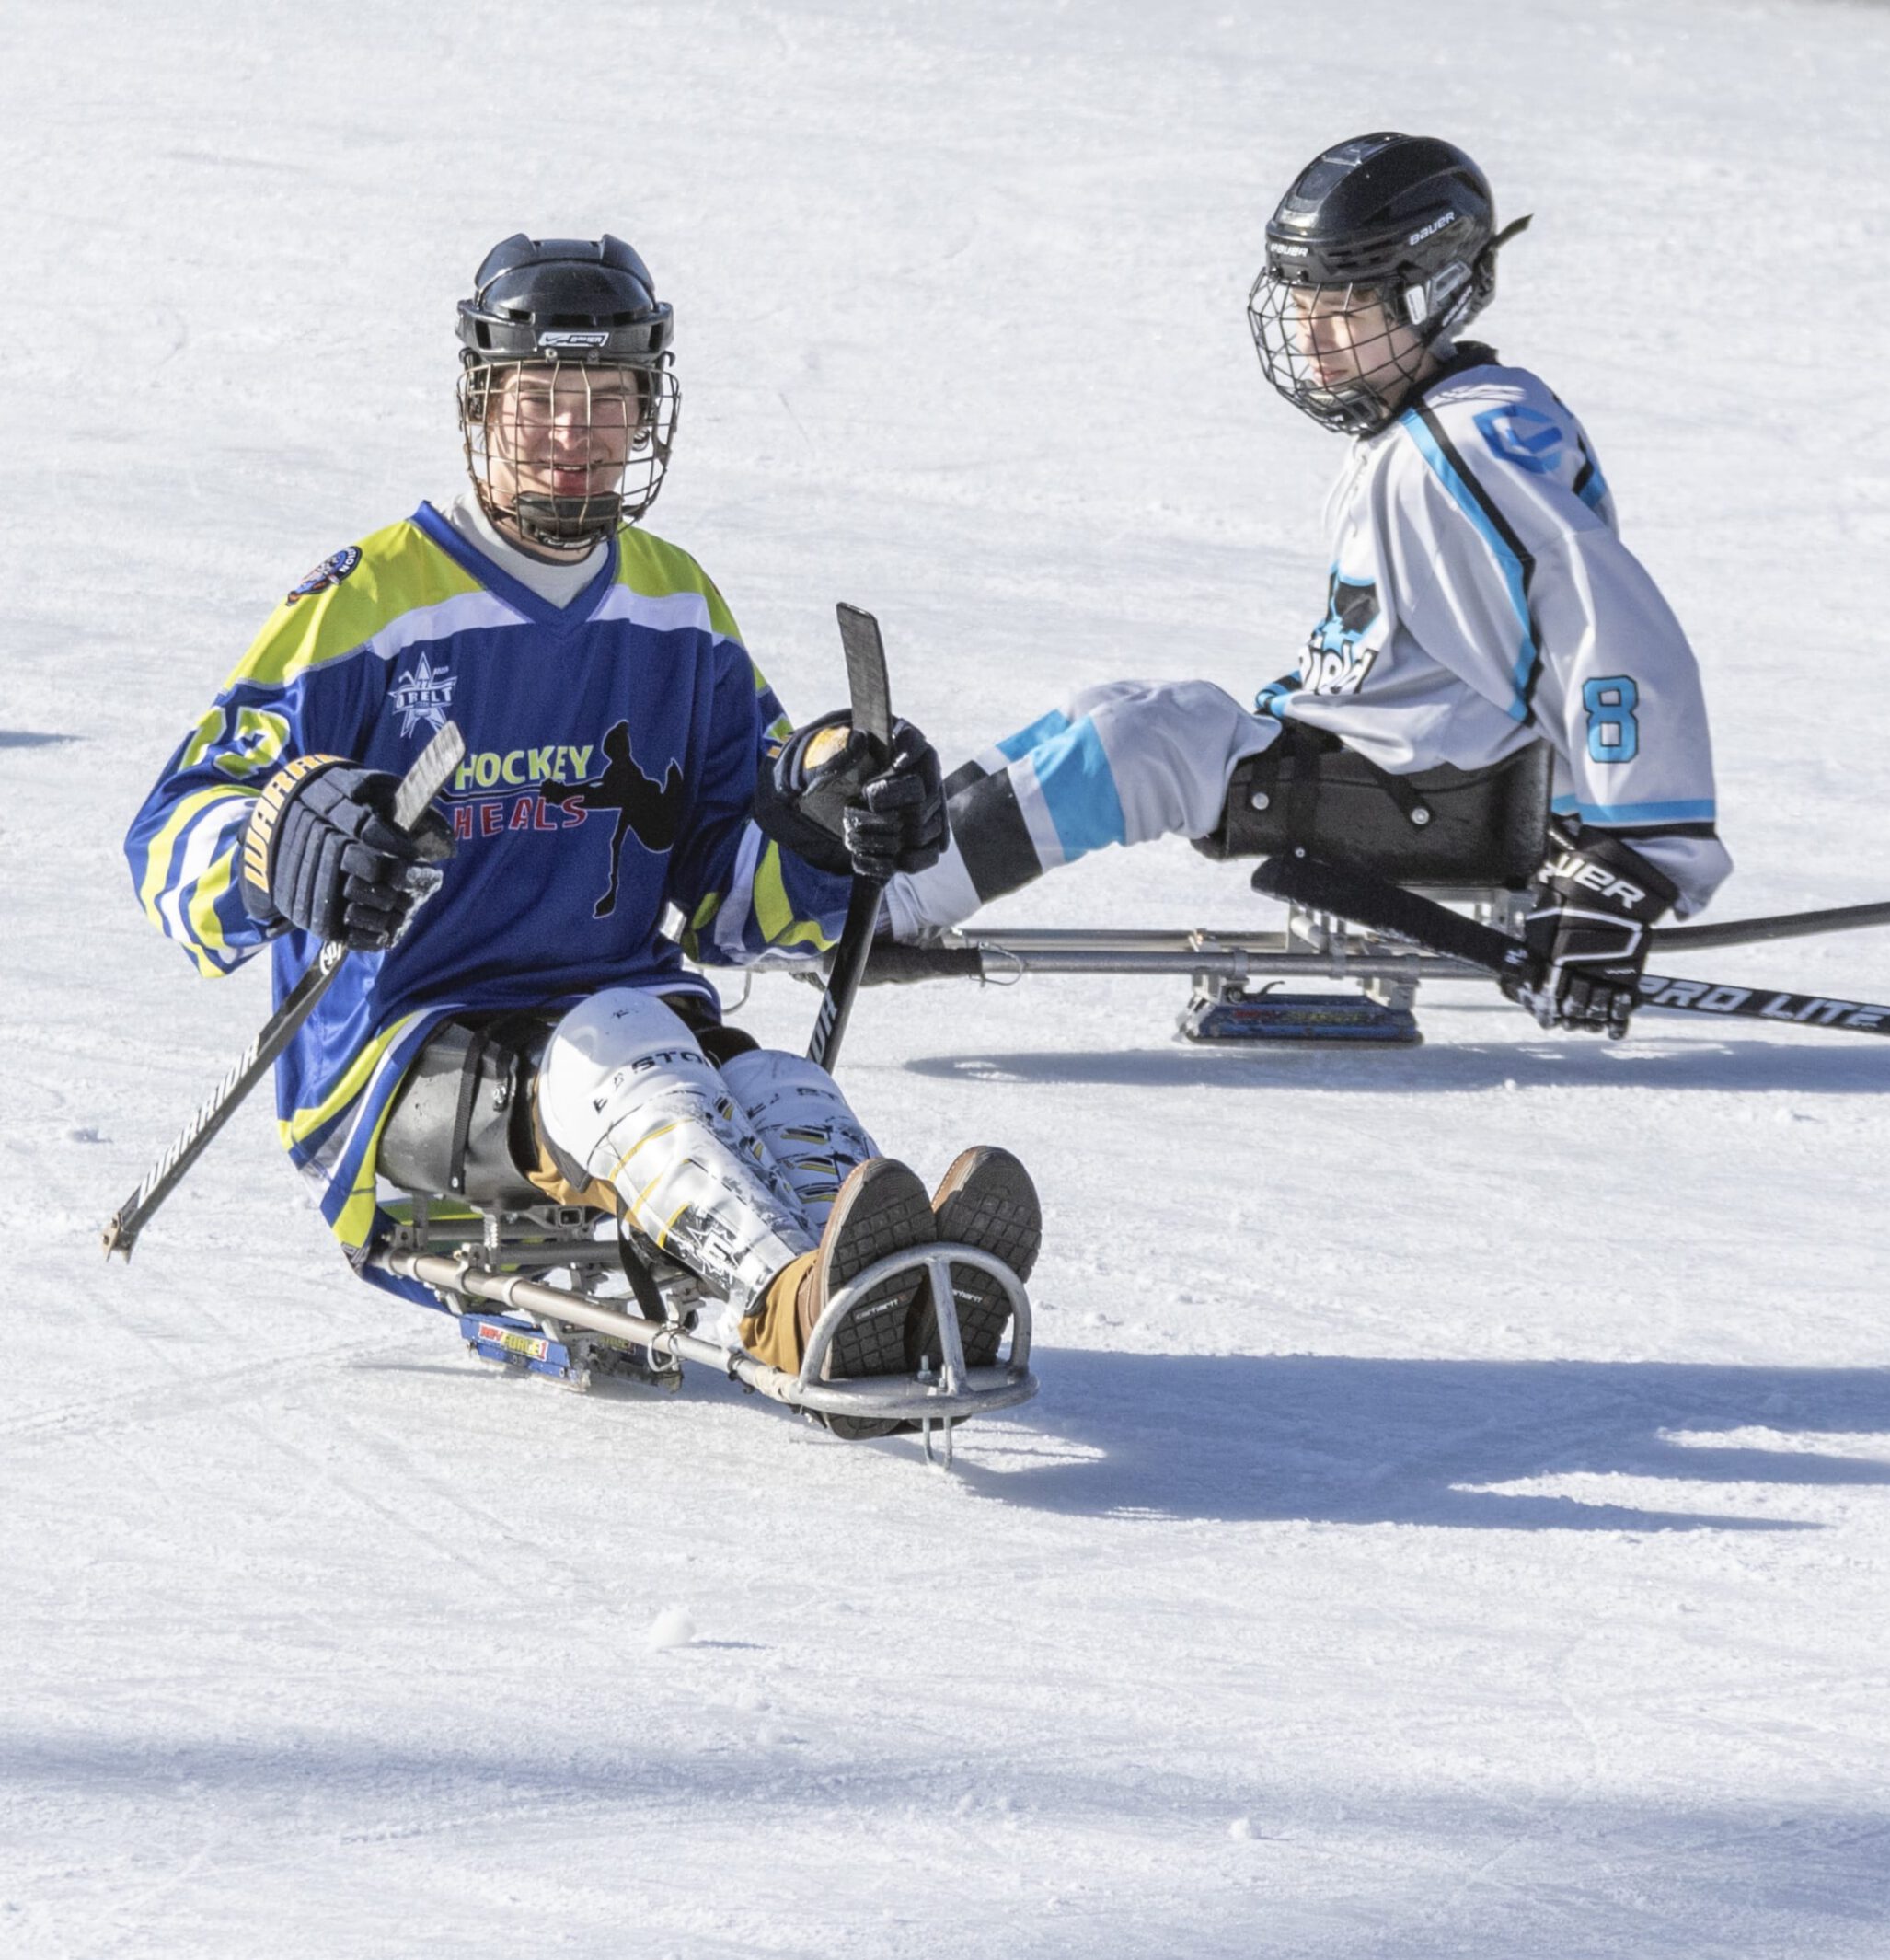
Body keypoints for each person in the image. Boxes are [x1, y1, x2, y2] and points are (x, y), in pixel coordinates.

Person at [124, 233, 1040, 1396]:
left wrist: (824, 819)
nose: (577, 433)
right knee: (630, 1057)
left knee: (777, 1089)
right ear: (480, 404)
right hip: (404, 1057)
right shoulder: (370, 604)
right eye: (543, 398)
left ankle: (896, 1292)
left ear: (651, 409)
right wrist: (286, 838)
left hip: (626, 1021)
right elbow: (170, 830)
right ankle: (789, 1307)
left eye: (610, 398)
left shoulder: (673, 603)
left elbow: (731, 901)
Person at [882, 134, 1733, 1036]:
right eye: (1300, 305)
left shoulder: (1455, 453)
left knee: (1143, 744)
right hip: (1415, 763)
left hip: (1436, 795)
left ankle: (886, 908)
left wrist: (1631, 859)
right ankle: (891, 866)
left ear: (1434, 292)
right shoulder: (1442, 421)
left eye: (1348, 308)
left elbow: (1610, 633)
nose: (1312, 337)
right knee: (1115, 708)